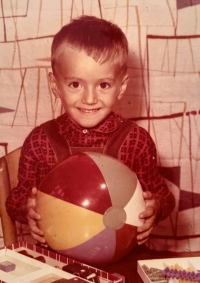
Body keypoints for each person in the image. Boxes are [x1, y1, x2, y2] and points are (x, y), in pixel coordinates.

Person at [6, 15, 175, 247]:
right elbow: (15, 198)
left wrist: (155, 208)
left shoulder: (136, 141)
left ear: (121, 87)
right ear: (55, 86)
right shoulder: (40, 141)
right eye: (75, 84)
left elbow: (163, 195)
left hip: (122, 259)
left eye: (103, 85)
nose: (89, 98)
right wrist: (27, 208)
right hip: (56, 260)